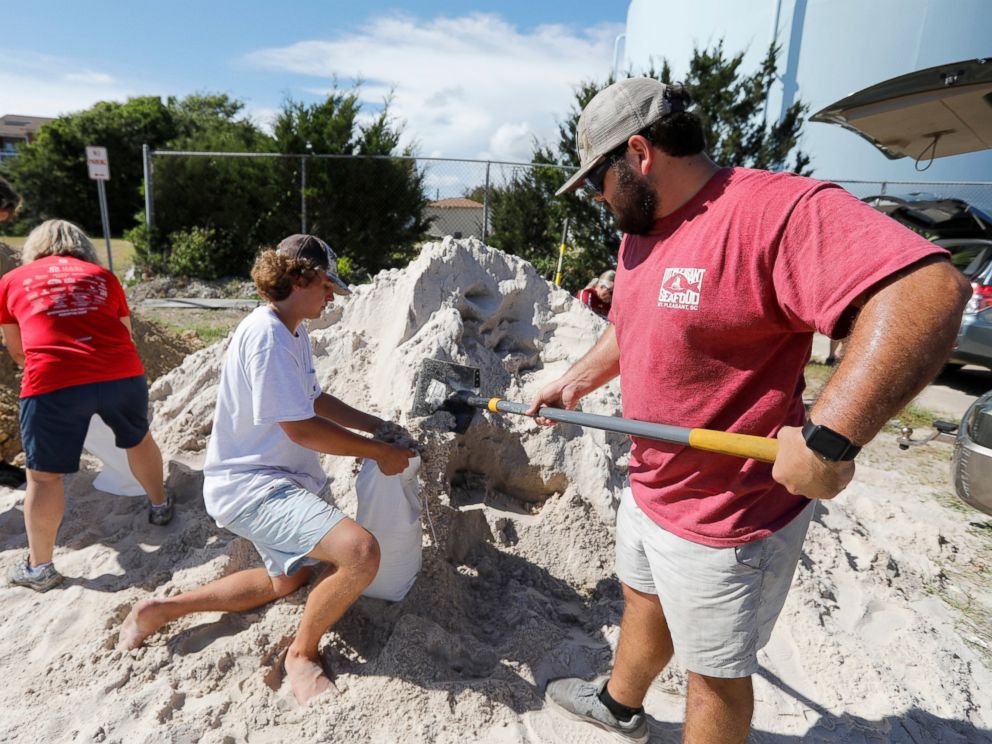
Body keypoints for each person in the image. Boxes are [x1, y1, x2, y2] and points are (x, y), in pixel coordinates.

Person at [529, 78, 970, 743]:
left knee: (714, 676)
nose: (598, 198)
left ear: (639, 154)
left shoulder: (773, 211)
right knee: (643, 600)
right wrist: (574, 382)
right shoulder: (642, 229)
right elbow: (633, 322)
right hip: (653, 485)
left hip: (727, 518)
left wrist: (829, 438)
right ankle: (620, 705)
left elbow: (929, 290)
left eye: (599, 181)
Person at [118, 234, 415, 706]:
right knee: (360, 553)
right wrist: (376, 452)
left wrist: (376, 427)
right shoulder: (268, 335)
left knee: (289, 579)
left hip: (276, 478)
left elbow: (313, 398)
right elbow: (300, 427)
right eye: (326, 286)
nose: (332, 296)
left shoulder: (290, 329)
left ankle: (158, 611)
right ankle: (301, 655)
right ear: (299, 279)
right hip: (252, 486)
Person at [0, 220, 173, 592]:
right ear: (82, 246)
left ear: (35, 247)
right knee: (138, 439)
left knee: (44, 476)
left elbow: (18, 351)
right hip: (120, 370)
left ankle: (40, 567)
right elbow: (125, 333)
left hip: (53, 377)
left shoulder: (13, 280)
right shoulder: (103, 276)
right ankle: (160, 506)